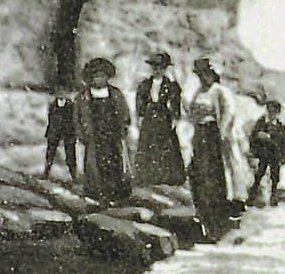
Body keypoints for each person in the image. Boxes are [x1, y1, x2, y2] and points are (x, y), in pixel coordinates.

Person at [74, 57, 133, 202]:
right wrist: (81, 133)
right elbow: (77, 117)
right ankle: (95, 193)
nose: (99, 80)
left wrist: (123, 127)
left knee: (114, 162)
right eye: (96, 76)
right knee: (94, 164)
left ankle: (114, 193)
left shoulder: (115, 93)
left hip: (112, 134)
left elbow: (124, 112)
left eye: (102, 76)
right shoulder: (84, 96)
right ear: (90, 78)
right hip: (93, 135)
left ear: (108, 77)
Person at [185, 59, 235, 228]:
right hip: (200, 133)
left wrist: (220, 131)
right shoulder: (199, 91)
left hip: (214, 134)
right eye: (200, 75)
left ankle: (217, 216)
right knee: (196, 172)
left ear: (213, 75)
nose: (203, 78)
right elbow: (191, 110)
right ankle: (202, 213)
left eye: (206, 74)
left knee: (212, 174)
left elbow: (228, 112)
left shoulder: (220, 91)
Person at [134, 52, 186, 186]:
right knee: (148, 143)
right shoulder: (145, 84)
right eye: (155, 67)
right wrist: (140, 115)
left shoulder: (171, 85)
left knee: (166, 145)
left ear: (165, 69)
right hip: (149, 116)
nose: (157, 70)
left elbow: (175, 102)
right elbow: (140, 100)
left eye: (161, 68)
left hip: (164, 116)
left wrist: (175, 117)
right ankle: (147, 176)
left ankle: (167, 176)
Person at [247, 100, 285, 205]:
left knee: (275, 177)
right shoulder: (261, 123)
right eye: (270, 111)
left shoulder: (281, 127)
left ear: (278, 112)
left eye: (274, 111)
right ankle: (252, 197)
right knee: (259, 175)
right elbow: (252, 137)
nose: (271, 114)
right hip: (263, 154)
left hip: (275, 155)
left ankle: (273, 198)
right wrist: (257, 142)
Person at [43, 86, 78, 180]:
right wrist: (50, 130)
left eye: (63, 92)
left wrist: (73, 131)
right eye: (59, 92)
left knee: (70, 154)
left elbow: (74, 119)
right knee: (50, 153)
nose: (61, 94)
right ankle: (46, 173)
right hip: (54, 131)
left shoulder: (71, 105)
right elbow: (50, 118)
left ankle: (73, 175)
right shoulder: (52, 105)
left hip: (68, 132)